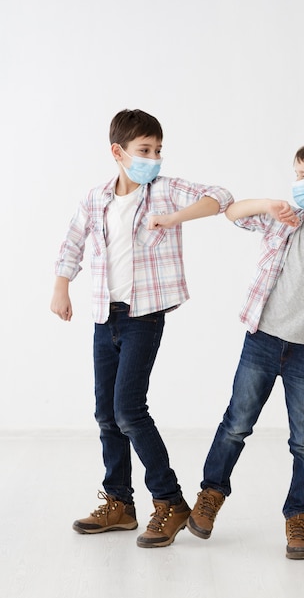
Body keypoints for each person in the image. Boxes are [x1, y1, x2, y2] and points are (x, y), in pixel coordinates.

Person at [185, 138, 304, 559]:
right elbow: (232, 213)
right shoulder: (288, 217)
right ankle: (211, 495)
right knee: (236, 423)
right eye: (294, 175)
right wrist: (269, 203)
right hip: (263, 338)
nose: (295, 183)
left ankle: (299, 518)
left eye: (302, 176)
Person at [50, 108, 234, 548]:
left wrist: (173, 219)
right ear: (118, 152)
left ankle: (170, 501)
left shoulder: (164, 191)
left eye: (157, 150)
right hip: (103, 316)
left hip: (143, 317)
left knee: (129, 410)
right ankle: (120, 503)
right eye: (144, 150)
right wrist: (61, 286)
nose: (153, 157)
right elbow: (72, 241)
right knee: (105, 414)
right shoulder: (96, 198)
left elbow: (220, 196)